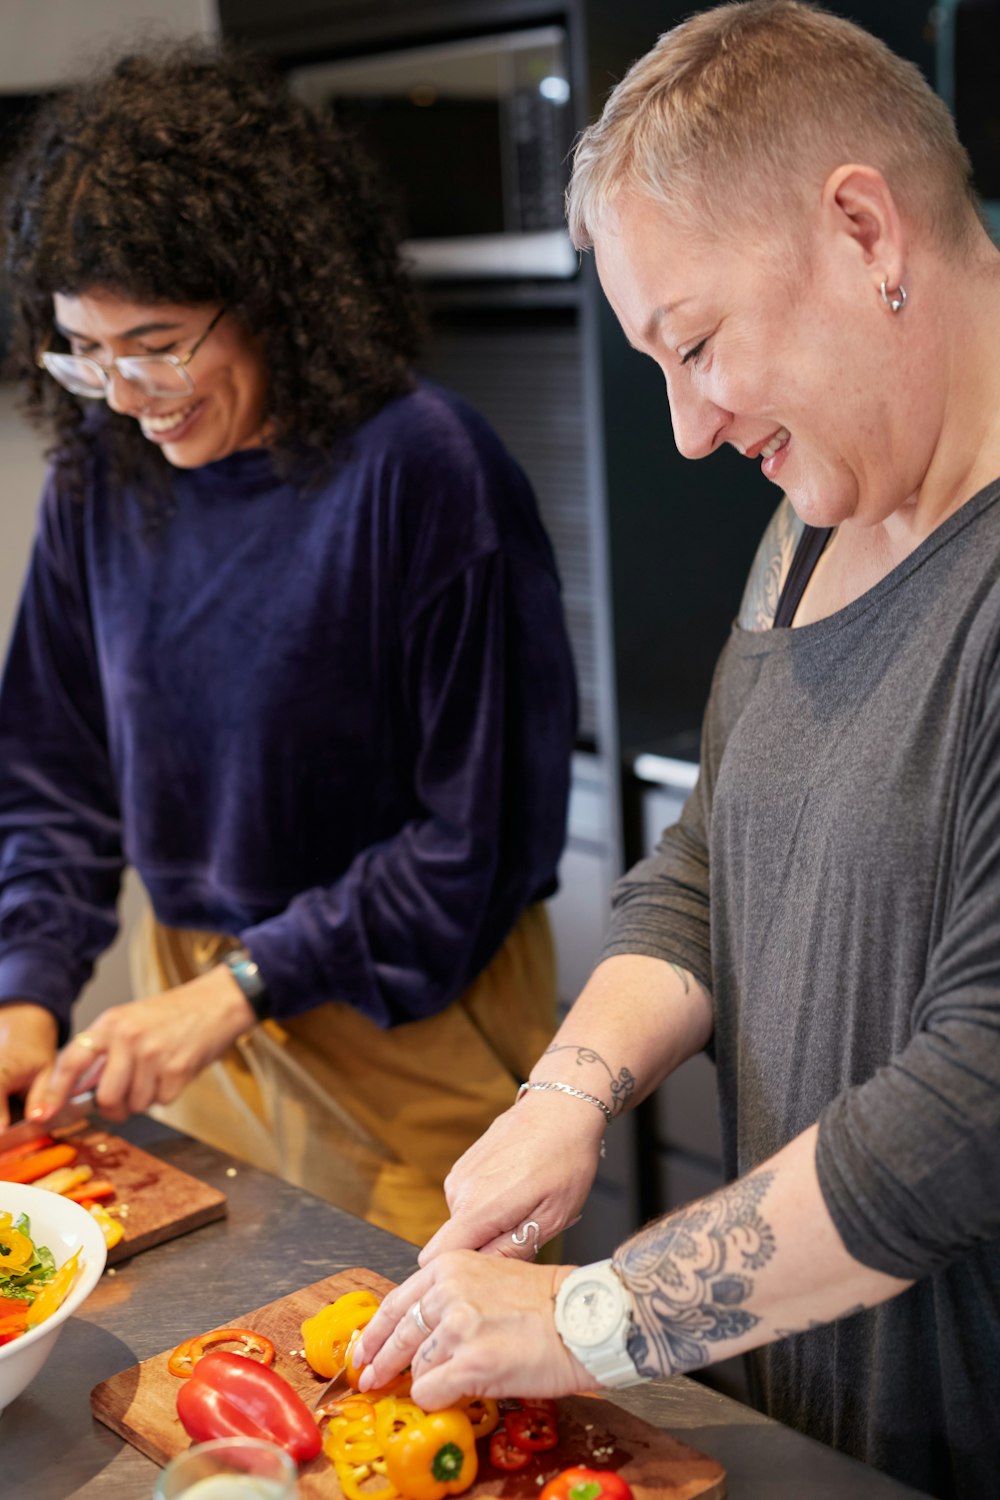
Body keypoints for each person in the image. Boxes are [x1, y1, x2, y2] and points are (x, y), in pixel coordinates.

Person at [354, 3, 1000, 1494]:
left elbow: (970, 1108)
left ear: (864, 230)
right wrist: (566, 1094)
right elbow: (715, 857)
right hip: (823, 1431)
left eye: (696, 345)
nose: (689, 431)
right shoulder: (817, 518)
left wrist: (592, 1317)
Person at [0, 41, 577, 1247]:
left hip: (409, 1022)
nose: (125, 392)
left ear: (269, 292)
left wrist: (246, 985)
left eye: (156, 343)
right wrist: (26, 988)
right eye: (86, 352)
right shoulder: (101, 477)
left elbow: (476, 844)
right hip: (199, 1016)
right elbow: (54, 779)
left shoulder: (428, 473)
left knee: (419, 1377)